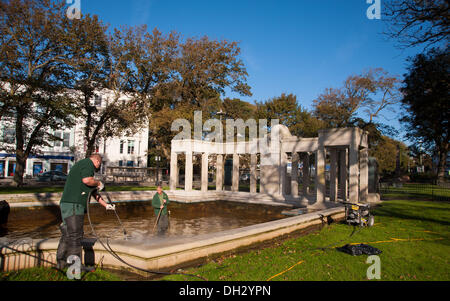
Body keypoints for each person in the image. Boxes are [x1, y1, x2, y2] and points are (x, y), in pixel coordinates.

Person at [56, 154, 114, 270]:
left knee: (67, 235)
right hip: (74, 205)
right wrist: (98, 183)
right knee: (75, 236)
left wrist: (106, 205)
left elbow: (93, 193)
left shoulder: (82, 167)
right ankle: (74, 268)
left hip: (68, 204)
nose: (97, 168)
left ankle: (61, 263)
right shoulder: (88, 164)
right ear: (97, 161)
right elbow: (87, 180)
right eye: (99, 165)